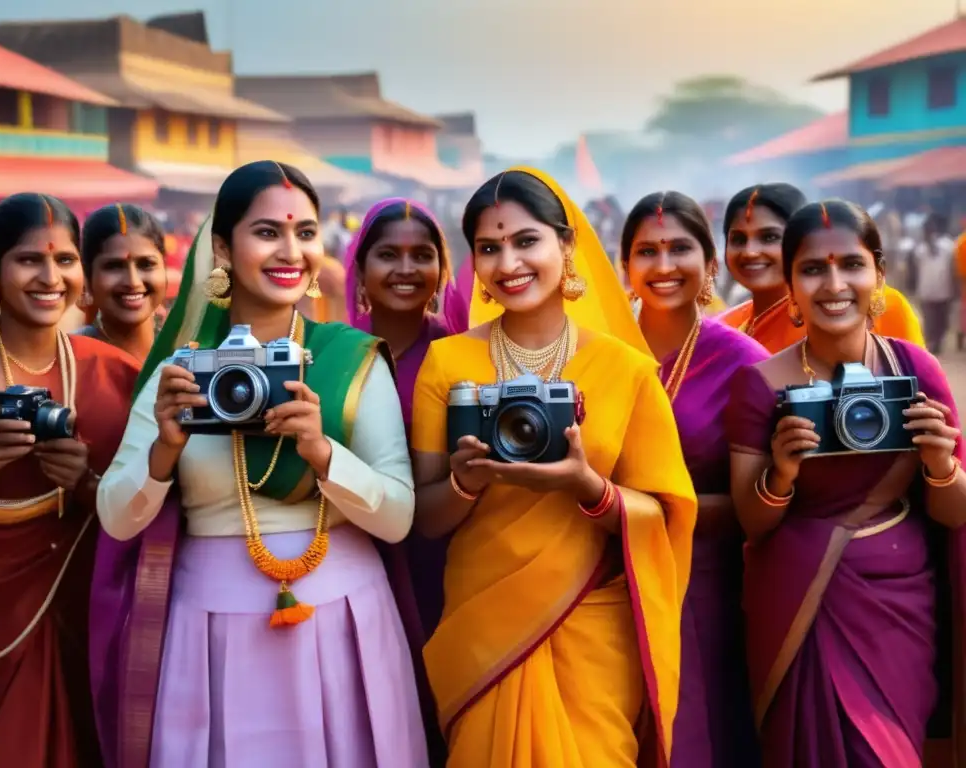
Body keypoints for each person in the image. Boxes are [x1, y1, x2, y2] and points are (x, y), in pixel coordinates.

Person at [94, 160, 427, 768]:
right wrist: (163, 449)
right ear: (222, 247)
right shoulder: (184, 371)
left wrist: (325, 454)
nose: (291, 251)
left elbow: (399, 517)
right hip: (211, 630)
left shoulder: (348, 361)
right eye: (267, 231)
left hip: (345, 619)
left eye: (305, 232)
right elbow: (116, 519)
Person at [411, 167, 697, 767]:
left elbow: (665, 515)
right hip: (483, 625)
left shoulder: (625, 370)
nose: (508, 261)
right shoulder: (447, 363)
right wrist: (467, 481)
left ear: (565, 246)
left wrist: (587, 487)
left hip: (589, 624)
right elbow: (427, 518)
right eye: (488, 248)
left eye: (526, 240)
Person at [725, 199, 966, 767]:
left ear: (878, 274)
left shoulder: (914, 370)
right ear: (790, 283)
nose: (834, 284)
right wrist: (780, 473)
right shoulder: (760, 384)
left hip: (898, 602)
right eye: (812, 268)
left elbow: (955, 515)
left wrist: (940, 463)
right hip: (796, 603)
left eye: (851, 265)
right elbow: (751, 522)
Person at [0, 193, 138, 767]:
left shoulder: (115, 373)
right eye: (29, 260)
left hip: (89, 604)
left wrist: (85, 482)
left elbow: (149, 504)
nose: (51, 277)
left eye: (66, 260)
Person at [620, 191, 767, 768]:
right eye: (646, 251)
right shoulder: (597, 352)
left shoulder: (745, 361)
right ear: (625, 267)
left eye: (679, 248)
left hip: (702, 586)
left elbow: (758, 499)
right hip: (607, 579)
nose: (662, 266)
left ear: (709, 264)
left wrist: (633, 509)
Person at [344, 198, 468, 765]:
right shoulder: (333, 354)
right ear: (360, 269)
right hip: (355, 556)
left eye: (423, 255)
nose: (405, 268)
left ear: (442, 270)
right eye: (388, 254)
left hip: (444, 562)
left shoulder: (460, 354)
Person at [718, 184, 924, 351]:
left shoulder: (879, 307)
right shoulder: (726, 326)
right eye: (738, 239)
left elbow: (922, 393)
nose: (749, 252)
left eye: (769, 237)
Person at [76, 203, 169, 362]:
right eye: (114, 266)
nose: (133, 281)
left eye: (146, 264)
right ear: (87, 277)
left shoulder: (187, 350)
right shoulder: (68, 360)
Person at [914, 212, 957, 355]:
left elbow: (953, 269)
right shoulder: (920, 249)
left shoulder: (949, 246)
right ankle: (932, 344)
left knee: (942, 321)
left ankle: (936, 341)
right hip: (927, 290)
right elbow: (915, 270)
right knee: (930, 321)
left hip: (944, 290)